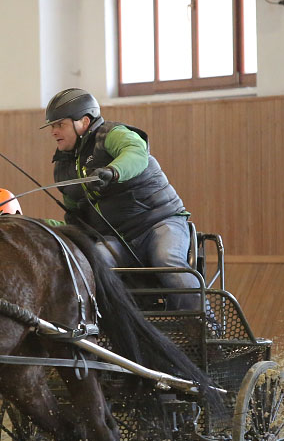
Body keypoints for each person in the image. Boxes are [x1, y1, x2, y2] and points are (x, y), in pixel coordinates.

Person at [43, 88, 199, 311]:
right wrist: (43, 226)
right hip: (115, 237)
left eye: (60, 124)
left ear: (84, 122)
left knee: (167, 261)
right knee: (95, 263)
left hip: (160, 222)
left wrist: (112, 171)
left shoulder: (113, 134)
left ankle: (205, 327)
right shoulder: (62, 170)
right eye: (52, 126)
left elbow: (136, 153)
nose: (53, 131)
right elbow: (75, 220)